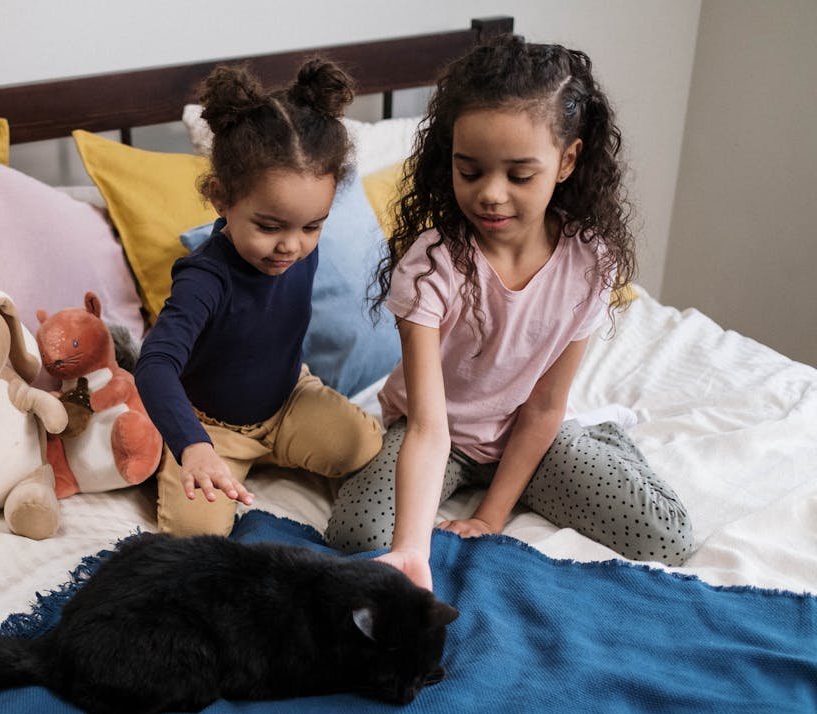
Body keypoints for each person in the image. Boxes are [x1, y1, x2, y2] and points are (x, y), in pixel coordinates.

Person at [325, 35, 695, 590]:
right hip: (436, 436)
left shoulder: (592, 263)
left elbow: (545, 406)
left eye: (519, 175)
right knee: (356, 534)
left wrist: (490, 516)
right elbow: (428, 427)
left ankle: (607, 439)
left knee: (666, 535)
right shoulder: (432, 267)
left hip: (530, 433)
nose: (491, 195)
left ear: (567, 161)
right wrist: (411, 550)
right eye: (470, 171)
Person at [134, 59, 384, 536]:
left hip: (287, 400)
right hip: (213, 429)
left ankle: (277, 453)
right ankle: (188, 458)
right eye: (270, 227)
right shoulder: (205, 278)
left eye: (313, 226)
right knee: (197, 538)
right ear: (221, 197)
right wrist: (193, 445)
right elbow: (155, 364)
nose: (291, 245)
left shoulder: (297, 251)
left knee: (365, 445)